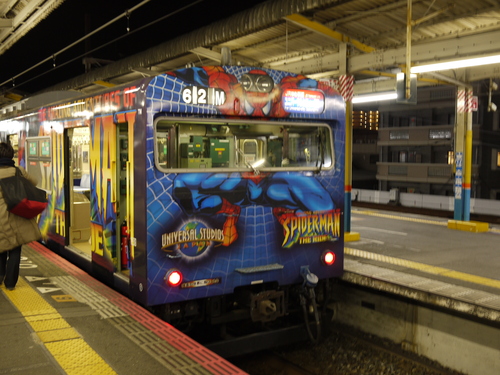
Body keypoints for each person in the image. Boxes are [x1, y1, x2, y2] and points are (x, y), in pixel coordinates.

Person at [0, 142, 41, 290]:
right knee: (15, 250)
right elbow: (35, 182)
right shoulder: (18, 171)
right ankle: (10, 283)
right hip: (16, 215)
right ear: (11, 155)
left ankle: (0, 275)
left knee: (2, 246)